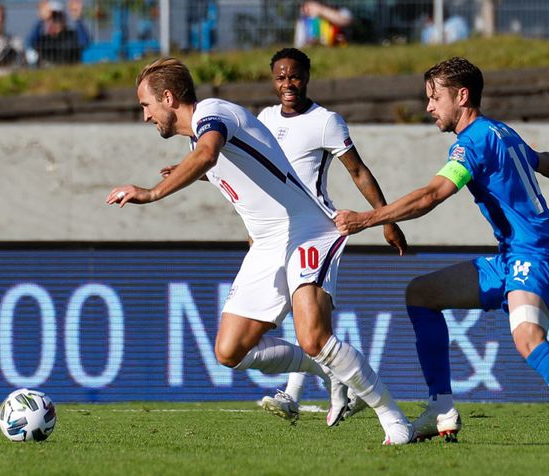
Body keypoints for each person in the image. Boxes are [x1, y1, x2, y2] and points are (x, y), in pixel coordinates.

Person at [106, 57, 415, 445]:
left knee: (314, 337)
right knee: (229, 350)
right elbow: (220, 163)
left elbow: (208, 154)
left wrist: (151, 193)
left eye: (146, 105)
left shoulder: (213, 115)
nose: (146, 115)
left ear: (167, 97)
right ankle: (329, 373)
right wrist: (195, 171)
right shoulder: (197, 139)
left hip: (306, 230)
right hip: (268, 243)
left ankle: (393, 418)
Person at [333, 57, 549, 448]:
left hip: (534, 255)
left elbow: (432, 195)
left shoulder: (472, 143)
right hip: (514, 256)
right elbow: (546, 163)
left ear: (462, 95)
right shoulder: (501, 132)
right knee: (422, 295)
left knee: (528, 339)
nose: (429, 107)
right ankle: (441, 407)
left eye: (434, 98)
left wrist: (365, 219)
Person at [255, 47, 407, 423]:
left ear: (307, 76)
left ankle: (303, 394)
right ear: (273, 80)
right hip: (277, 229)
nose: (288, 84)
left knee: (305, 311)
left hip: (318, 229)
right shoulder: (265, 119)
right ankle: (336, 384)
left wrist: (384, 219)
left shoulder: (326, 121)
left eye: (294, 76)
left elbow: (358, 172)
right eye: (280, 77)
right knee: (306, 317)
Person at [26, 0, 89, 66]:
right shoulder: (44, 39)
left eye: (59, 16)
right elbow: (30, 44)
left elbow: (85, 43)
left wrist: (77, 19)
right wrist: (41, 20)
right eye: (52, 17)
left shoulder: (72, 35)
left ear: (64, 18)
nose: (56, 20)